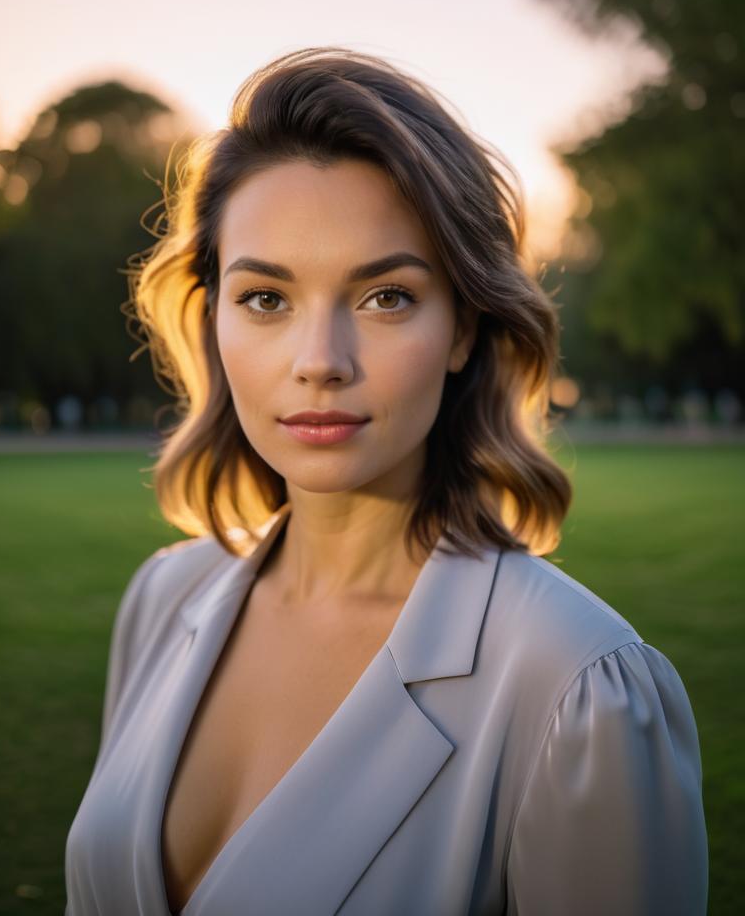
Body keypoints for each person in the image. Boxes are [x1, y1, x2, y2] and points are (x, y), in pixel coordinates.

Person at [64, 46, 708, 915]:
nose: (320, 363)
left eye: (386, 297)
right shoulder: (163, 599)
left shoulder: (578, 686)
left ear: (464, 330)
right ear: (212, 313)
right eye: (265, 298)